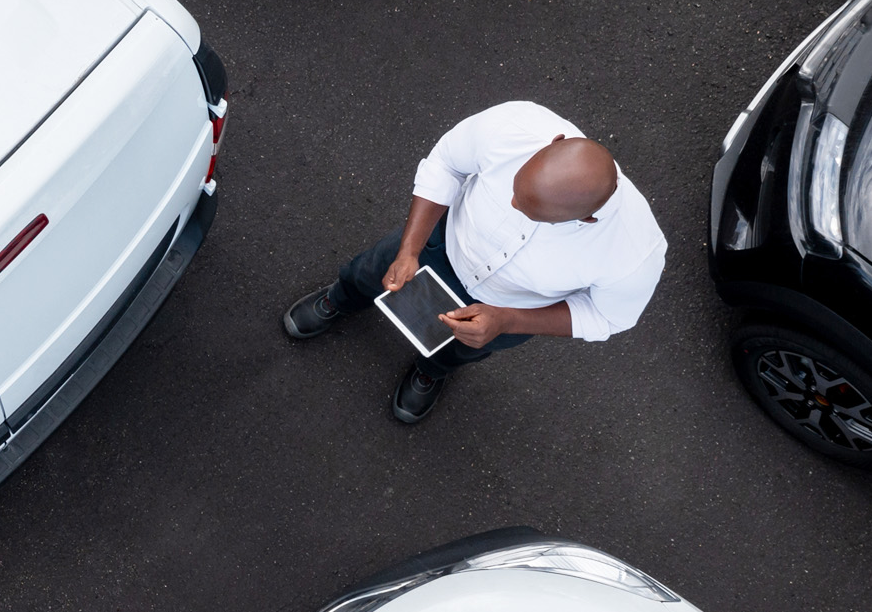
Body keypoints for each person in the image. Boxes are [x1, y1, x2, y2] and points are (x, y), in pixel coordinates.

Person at [282, 101, 667, 423]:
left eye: (535, 214)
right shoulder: (514, 124)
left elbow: (606, 316)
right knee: (371, 271)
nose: (513, 205)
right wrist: (410, 249)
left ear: (585, 220)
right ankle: (341, 298)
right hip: (439, 244)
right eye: (517, 190)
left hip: (507, 308)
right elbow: (447, 164)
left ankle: (431, 372)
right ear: (555, 141)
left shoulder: (635, 252)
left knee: (461, 348)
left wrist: (508, 321)